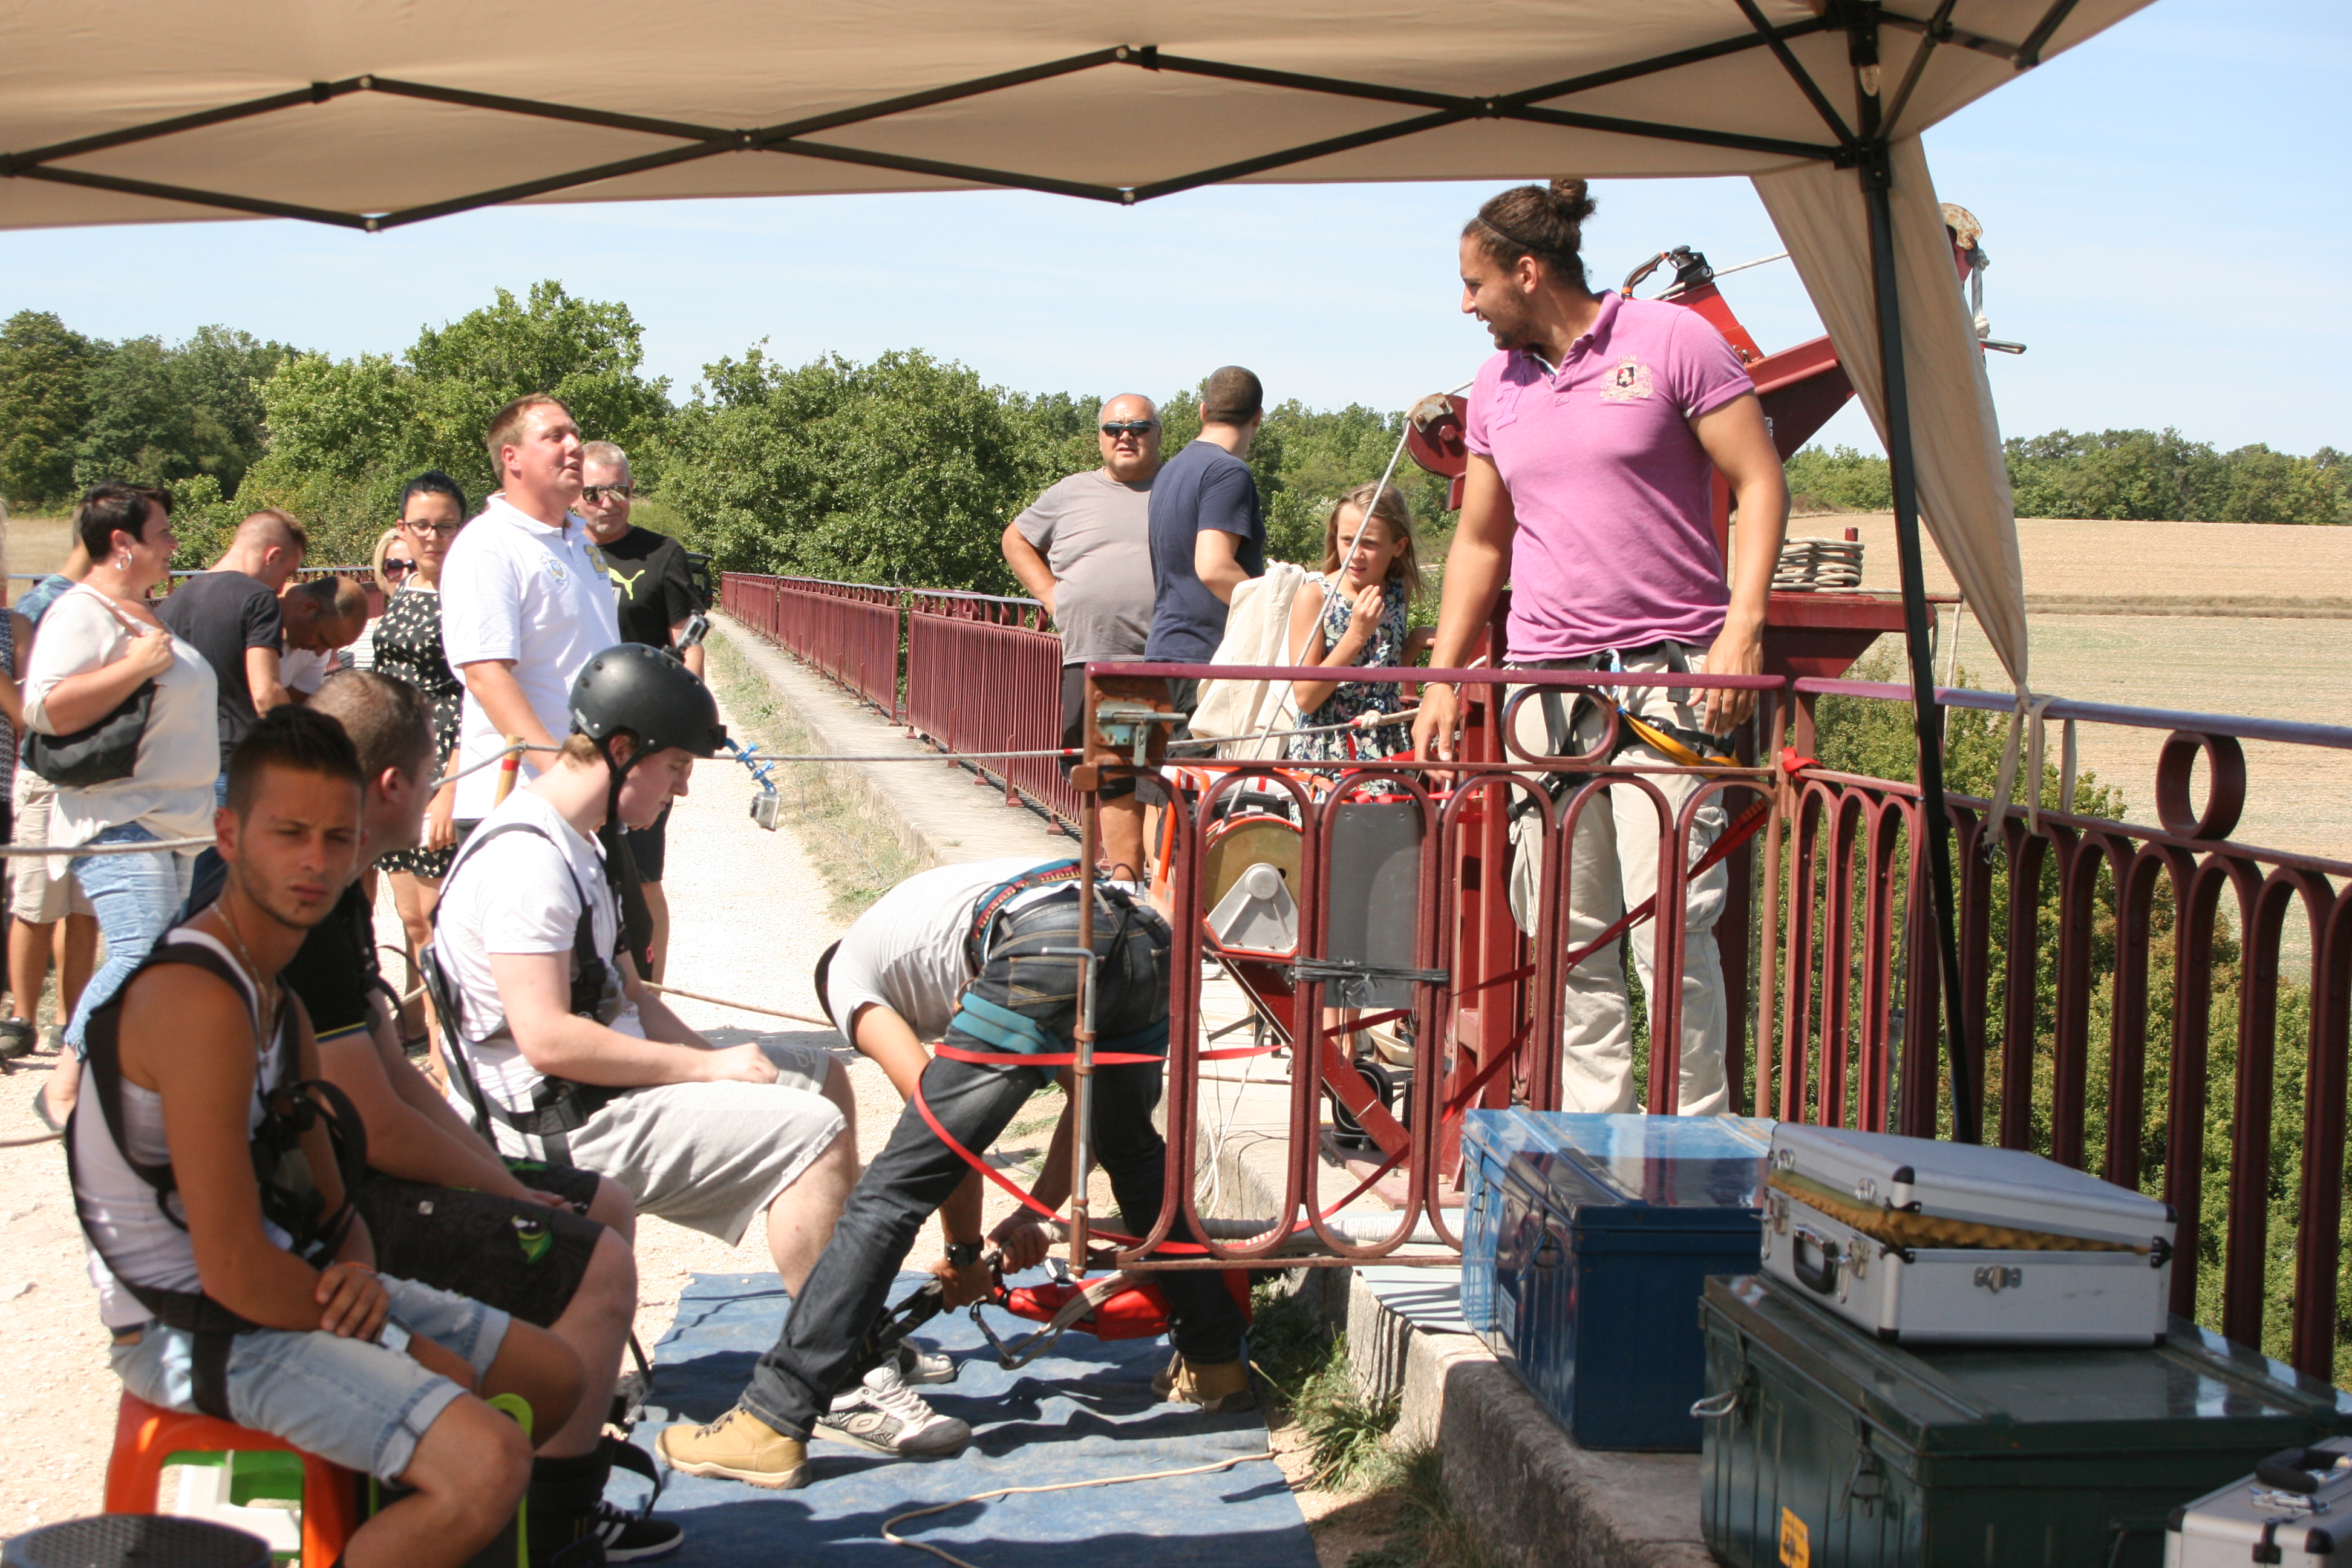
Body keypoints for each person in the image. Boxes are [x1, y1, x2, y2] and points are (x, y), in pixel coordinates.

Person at [180, 677, 681, 1564]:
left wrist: (501, 1181)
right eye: (429, 772)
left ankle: (552, 1472)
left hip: (329, 1200)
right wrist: (509, 1197)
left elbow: (399, 1083)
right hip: (305, 1225)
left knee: (599, 1205)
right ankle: (556, 1527)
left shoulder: (332, 889)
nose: (439, 791)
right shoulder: (295, 903)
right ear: (391, 787)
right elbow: (369, 1120)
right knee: (596, 1263)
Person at [71, 708, 584, 1568]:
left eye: (336, 838)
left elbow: (332, 1200)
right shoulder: (198, 1001)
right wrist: (399, 1342)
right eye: (289, 833)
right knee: (485, 1459)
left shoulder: (281, 1002)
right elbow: (232, 1270)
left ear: (360, 850)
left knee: (552, 1378)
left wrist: (353, 1268)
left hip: (285, 1287)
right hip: (186, 1327)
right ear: (229, 836)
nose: (314, 862)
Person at [430, 644, 964, 1458]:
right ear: (621, 751)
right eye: (676, 765)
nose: (683, 787)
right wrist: (708, 1067)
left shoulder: (581, 840)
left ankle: (846, 1326)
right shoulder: (528, 863)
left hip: (593, 1096)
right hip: (554, 1125)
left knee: (821, 1078)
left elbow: (628, 998)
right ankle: (841, 1383)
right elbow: (546, 1036)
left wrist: (732, 1053)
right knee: (807, 1135)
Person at [658, 856, 1250, 1490]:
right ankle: (1215, 1361)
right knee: (1133, 1152)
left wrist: (966, 1252)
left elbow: (940, 1136)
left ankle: (774, 1418)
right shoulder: (922, 921)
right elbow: (1090, 1119)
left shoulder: (848, 980)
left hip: (1050, 939)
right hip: (1143, 939)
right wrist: (1033, 1213)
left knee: (889, 1191)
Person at [1410, 178, 1789, 1117]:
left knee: (1674, 940)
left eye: (1474, 284)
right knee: (1568, 941)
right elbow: (1481, 543)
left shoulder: (1672, 343)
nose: (1466, 305)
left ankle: (1695, 1161)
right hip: (1548, 691)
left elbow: (1759, 479)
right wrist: (1441, 678)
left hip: (1670, 684)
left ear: (1527, 273)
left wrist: (1741, 627)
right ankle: (1597, 1157)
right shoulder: (1497, 385)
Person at [24, 483, 218, 1131]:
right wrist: (135, 667)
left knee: (160, 959)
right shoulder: (81, 612)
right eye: (162, 531)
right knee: (141, 955)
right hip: (119, 817)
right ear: (122, 543)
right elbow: (43, 709)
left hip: (174, 822)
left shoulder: (143, 613)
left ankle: (128, 1083)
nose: (173, 543)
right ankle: (66, 1083)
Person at [439, 395, 621, 840]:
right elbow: (485, 674)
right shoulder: (488, 546)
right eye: (556, 436)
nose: (575, 445)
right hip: (520, 802)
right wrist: (564, 774)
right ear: (511, 457)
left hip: (586, 792)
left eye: (575, 433)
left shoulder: (581, 541)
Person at [1001, 395, 1162, 880]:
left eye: (1138, 426)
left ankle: (1162, 888)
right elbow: (1016, 539)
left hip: (1166, 656)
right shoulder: (1071, 492)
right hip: (1101, 657)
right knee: (1114, 775)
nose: (1125, 436)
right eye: (1114, 428)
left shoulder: (1178, 489)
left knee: (1160, 774)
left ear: (1157, 433)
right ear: (1100, 437)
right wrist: (1051, 596)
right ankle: (1126, 882)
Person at [578, 440, 704, 982]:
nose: (607, 503)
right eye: (593, 492)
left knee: (642, 874)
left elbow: (690, 643)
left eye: (619, 491)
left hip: (645, 739)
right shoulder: (562, 551)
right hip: (575, 737)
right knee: (578, 866)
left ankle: (650, 996)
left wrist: (688, 732)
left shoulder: (663, 554)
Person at [374, 472, 471, 1063]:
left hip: (444, 769)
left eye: (444, 525)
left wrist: (450, 791)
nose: (432, 537)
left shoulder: (471, 592)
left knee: (441, 928)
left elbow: (476, 695)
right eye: (420, 526)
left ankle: (447, 1060)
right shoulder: (405, 585)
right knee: (411, 921)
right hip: (397, 766)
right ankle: (432, 1049)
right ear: (403, 528)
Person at [7, 530, 98, 1062]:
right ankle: (22, 1016)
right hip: (45, 773)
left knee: (82, 907)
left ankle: (72, 1017)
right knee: (36, 902)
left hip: (91, 774)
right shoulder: (41, 605)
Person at [1145, 366, 1267, 733]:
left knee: (1163, 787)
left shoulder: (1171, 470)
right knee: (1207, 788)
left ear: (1203, 411)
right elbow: (1214, 567)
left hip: (1164, 654)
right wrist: (1276, 614)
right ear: (1258, 417)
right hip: (1205, 662)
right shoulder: (1228, 472)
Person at [1283, 482, 1434, 765]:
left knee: (1399, 810)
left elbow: (1380, 672)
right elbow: (1306, 697)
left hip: (1385, 737)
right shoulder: (1314, 597)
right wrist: (1356, 635)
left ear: (1398, 546)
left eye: (1370, 544)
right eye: (1348, 540)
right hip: (1329, 743)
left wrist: (1413, 643)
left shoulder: (1400, 589)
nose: (1355, 554)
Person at [156, 508, 309, 777]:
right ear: (272, 557)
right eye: (287, 574)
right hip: (235, 760)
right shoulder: (259, 598)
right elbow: (265, 693)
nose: (281, 587)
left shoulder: (174, 601)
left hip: (177, 762)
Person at [276, 575, 370, 700]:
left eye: (330, 648)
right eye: (322, 640)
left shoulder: (315, 645)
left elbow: (299, 705)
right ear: (308, 608)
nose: (320, 653)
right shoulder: (251, 606)